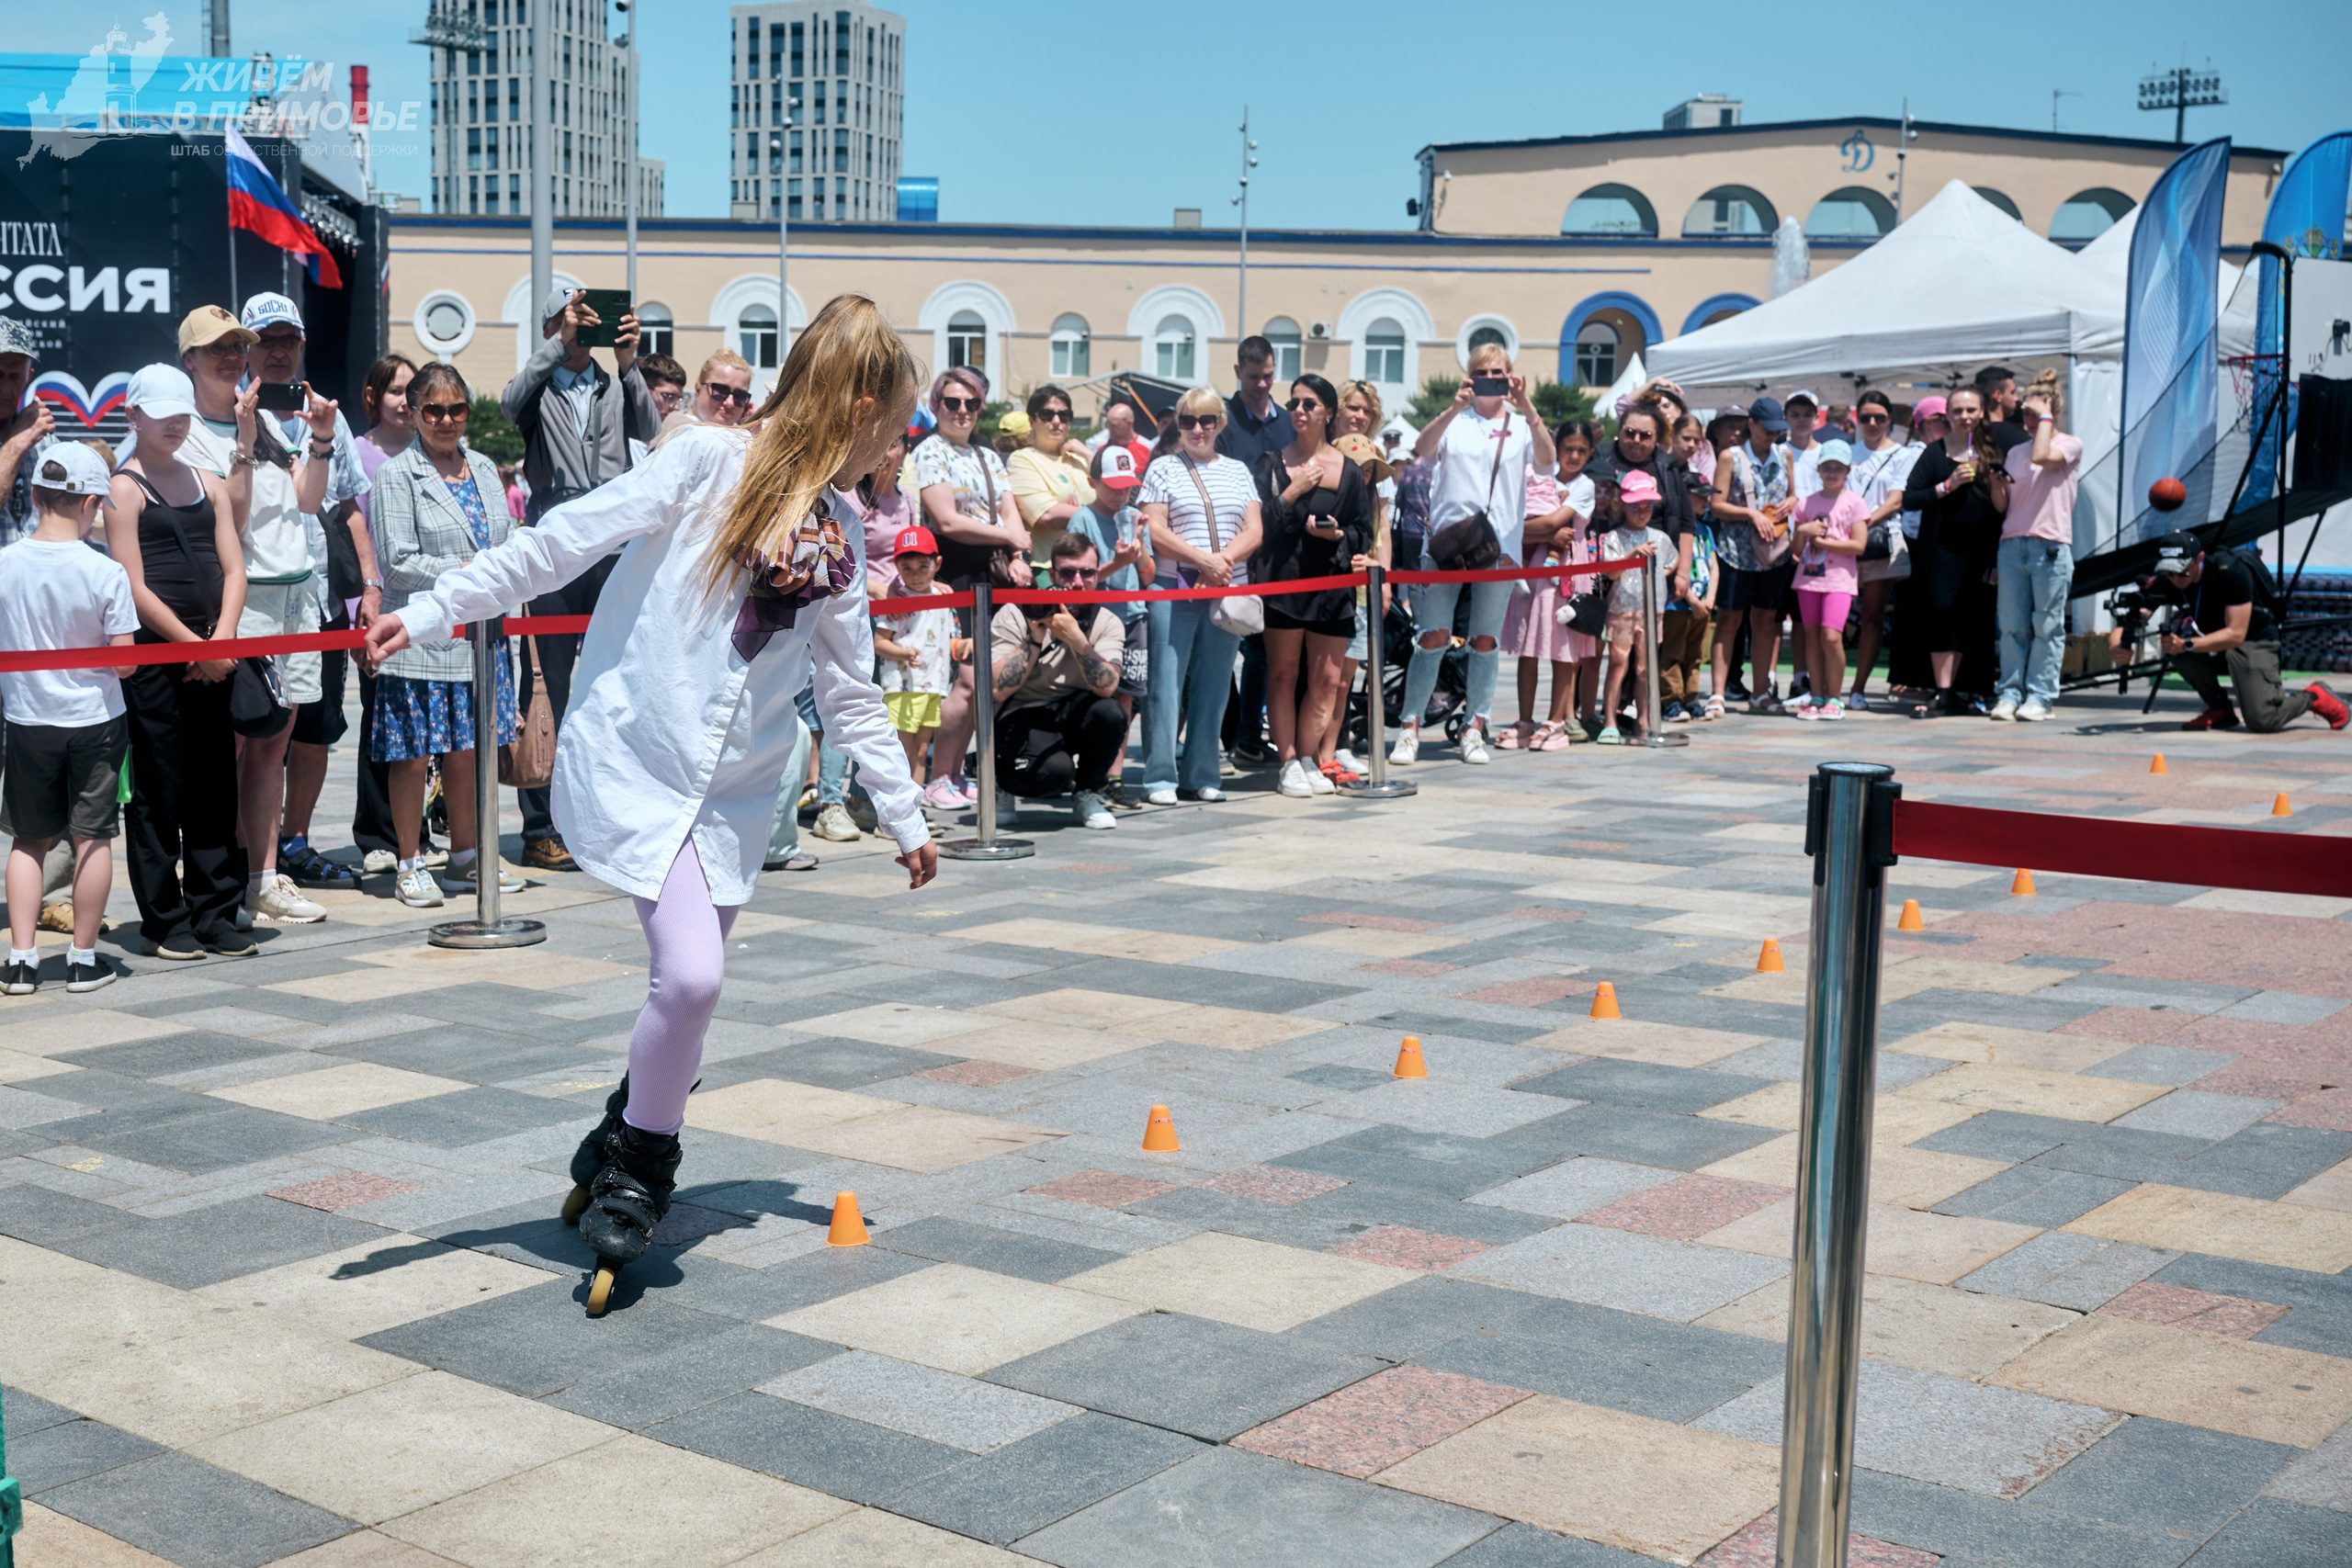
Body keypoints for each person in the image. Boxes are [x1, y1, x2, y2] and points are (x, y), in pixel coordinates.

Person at [368, 292, 934, 1314]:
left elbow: (848, 684)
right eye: (893, 426)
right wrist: (433, 608)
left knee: (683, 991)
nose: (896, 449)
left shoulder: (841, 525)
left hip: (739, 790)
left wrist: (903, 811)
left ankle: (619, 1130)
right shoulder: (708, 462)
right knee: (694, 978)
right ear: (856, 408)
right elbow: (562, 539)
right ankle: (640, 1167)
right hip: (642, 752)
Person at [503, 285, 663, 873]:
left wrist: (627, 363)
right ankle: (542, 823)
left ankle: (600, 814)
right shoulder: (539, 384)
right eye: (574, 321)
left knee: (613, 681)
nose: (584, 330)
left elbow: (651, 429)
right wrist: (556, 348)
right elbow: (506, 403)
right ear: (553, 327)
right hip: (555, 540)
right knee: (547, 682)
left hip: (613, 539)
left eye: (592, 320)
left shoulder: (614, 383)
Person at [365, 363, 526, 909]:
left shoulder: (483, 467)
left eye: (456, 408)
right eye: (432, 409)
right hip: (420, 634)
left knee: (468, 750)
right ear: (412, 413)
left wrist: (496, 569)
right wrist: (470, 568)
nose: (445, 419)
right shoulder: (395, 475)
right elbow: (399, 564)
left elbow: (505, 542)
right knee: (411, 755)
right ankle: (409, 862)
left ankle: (465, 856)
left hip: (482, 638)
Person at [227, 293, 368, 923]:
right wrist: (244, 432)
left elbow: (318, 505)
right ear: (244, 348)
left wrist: (322, 438)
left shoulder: (314, 416)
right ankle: (224, 873)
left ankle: (264, 872)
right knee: (238, 740)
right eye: (266, 340)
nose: (279, 351)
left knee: (279, 737)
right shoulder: (225, 414)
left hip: (303, 596)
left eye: (290, 340)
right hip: (248, 594)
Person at [109, 365, 254, 960]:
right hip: (156, 661)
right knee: (158, 788)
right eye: (160, 411)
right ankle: (164, 919)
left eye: (181, 412)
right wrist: (197, 648)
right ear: (132, 417)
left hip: (212, 654)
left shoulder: (209, 482)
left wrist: (220, 640)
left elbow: (235, 567)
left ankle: (216, 907)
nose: (173, 422)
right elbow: (132, 586)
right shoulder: (124, 488)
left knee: (214, 782)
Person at [1, 444, 138, 993]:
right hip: (96, 718)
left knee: (27, 842)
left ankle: (20, 961)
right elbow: (127, 663)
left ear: (35, 496)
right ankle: (82, 960)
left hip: (26, 716)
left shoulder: (5, 563)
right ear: (93, 503)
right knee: (93, 839)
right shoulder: (106, 572)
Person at [1392, 343, 1556, 765]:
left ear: (1511, 378)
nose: (1492, 380)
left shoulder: (1520, 424)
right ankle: (1409, 727)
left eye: (1500, 374)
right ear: (1470, 376)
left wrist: (1527, 404)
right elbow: (1424, 451)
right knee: (1432, 638)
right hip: (1448, 545)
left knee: (1485, 641)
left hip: (1498, 547)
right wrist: (1453, 407)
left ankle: (1474, 726)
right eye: (1484, 372)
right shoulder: (1457, 420)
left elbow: (1546, 461)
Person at [912, 365, 1030, 809]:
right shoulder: (930, 451)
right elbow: (945, 520)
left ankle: (956, 772)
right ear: (936, 405)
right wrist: (1010, 539)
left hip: (989, 572)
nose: (962, 411)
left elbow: (1008, 509)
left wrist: (1018, 556)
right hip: (952, 572)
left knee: (983, 679)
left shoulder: (987, 453)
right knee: (963, 678)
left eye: (971, 404)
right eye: (952, 403)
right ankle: (938, 775)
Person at [1250, 374, 1371, 796]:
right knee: (1283, 674)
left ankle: (1308, 756)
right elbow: (1260, 525)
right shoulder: (1271, 463)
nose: (1298, 411)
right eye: (1294, 404)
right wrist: (1293, 491)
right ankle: (1287, 762)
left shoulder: (1351, 470)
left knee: (1327, 680)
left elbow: (1364, 529)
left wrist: (1337, 536)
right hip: (1283, 582)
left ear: (1329, 413)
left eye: (1309, 404)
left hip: (1331, 586)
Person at [1140, 385, 1261, 804]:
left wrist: (1222, 560)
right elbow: (1154, 528)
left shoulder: (1238, 470)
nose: (1197, 428)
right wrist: (1203, 560)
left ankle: (1204, 772)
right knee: (1165, 686)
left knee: (1215, 685)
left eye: (1206, 420)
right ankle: (1160, 777)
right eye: (1188, 420)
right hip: (1175, 587)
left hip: (1226, 588)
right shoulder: (1162, 468)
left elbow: (1254, 528)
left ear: (1219, 424)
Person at [2127, 533, 2348, 734]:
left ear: (2199, 558)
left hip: (2254, 641)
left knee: (2263, 720)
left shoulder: (2230, 571)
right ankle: (2220, 709)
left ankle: (2314, 696)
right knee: (2179, 653)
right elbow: (2137, 614)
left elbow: (2236, 634)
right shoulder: (2170, 579)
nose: (2176, 577)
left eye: (2182, 569)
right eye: (2169, 571)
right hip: (2217, 644)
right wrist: (2121, 642)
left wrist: (2185, 644)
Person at [990, 534, 1126, 829]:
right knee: (1052, 774)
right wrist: (1035, 637)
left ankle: (1087, 793)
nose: (1077, 582)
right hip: (1022, 710)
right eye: (1067, 573)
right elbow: (1000, 689)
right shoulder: (1016, 611)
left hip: (1073, 708)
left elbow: (1107, 687)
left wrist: (1077, 639)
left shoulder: (1107, 621)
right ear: (1051, 575)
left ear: (1097, 575)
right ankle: (1002, 780)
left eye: (1087, 573)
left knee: (1111, 713)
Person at [348, 354, 424, 876]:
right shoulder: (358, 453)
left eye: (411, 390)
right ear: (374, 397)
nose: (404, 400)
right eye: (394, 390)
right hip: (379, 607)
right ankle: (376, 833)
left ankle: (416, 833)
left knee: (423, 727)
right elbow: (352, 533)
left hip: (427, 610)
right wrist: (362, 605)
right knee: (381, 721)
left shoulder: (432, 452)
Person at [1901, 389, 2007, 717]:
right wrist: (1948, 485)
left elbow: (2001, 508)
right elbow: (1910, 498)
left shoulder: (1992, 452)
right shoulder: (1935, 453)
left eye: (1970, 409)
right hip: (1942, 548)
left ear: (1981, 413)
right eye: (1958, 410)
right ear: (1947, 414)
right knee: (1941, 611)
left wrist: (1996, 485)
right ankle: (1942, 690)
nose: (1964, 416)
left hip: (1982, 549)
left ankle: (1964, 691)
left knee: (1974, 615)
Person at [1500, 419, 1597, 750]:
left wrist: (1535, 530)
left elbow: (1556, 521)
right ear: (1556, 447)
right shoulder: (1537, 475)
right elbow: (1507, 520)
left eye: (1581, 451)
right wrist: (1545, 533)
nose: (1574, 456)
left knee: (1563, 648)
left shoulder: (1585, 485)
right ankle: (1525, 720)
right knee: (1528, 645)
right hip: (1529, 569)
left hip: (1566, 569)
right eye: (1568, 448)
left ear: (1590, 453)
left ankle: (1556, 722)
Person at [1991, 374, 2081, 722]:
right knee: (2011, 625)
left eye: (2035, 413)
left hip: (2051, 545)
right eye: (2026, 413)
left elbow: (2044, 456)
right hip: (2013, 543)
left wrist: (2045, 417)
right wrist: (1997, 484)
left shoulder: (2070, 444)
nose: (2027, 420)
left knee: (2047, 626)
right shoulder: (2015, 452)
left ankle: (2040, 697)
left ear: (2052, 412)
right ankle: (2010, 693)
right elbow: (2003, 506)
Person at [1063, 444, 1153, 738]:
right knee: (1098, 693)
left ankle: (1115, 774)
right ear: (1093, 482)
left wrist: (1138, 548)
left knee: (1126, 695)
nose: (1121, 494)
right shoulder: (1083, 519)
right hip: (1098, 617)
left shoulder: (1134, 516)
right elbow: (1077, 583)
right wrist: (1118, 562)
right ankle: (1095, 769)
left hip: (1133, 617)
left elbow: (1148, 576)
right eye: (1114, 486)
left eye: (1127, 486)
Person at [1787, 441, 1867, 721]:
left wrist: (1823, 541)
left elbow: (1859, 545)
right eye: (1827, 467)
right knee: (1811, 636)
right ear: (1818, 469)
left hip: (1840, 580)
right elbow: (1796, 549)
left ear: (1847, 471)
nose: (1832, 472)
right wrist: (1804, 533)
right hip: (1808, 579)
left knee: (1832, 637)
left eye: (1838, 468)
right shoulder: (1806, 503)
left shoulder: (1854, 503)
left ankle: (1835, 696)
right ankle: (1817, 694)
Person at [873, 524, 956, 780]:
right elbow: (879, 642)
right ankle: (899, 812)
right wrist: (903, 654)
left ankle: (916, 808)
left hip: (933, 687)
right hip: (902, 688)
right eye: (906, 568)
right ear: (897, 567)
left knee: (921, 753)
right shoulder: (896, 600)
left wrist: (967, 645)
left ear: (937, 564)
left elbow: (951, 640)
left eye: (923, 566)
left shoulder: (945, 597)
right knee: (901, 752)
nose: (916, 575)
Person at [1595, 470, 1671, 744]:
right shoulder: (1614, 537)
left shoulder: (1660, 537)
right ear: (1623, 506)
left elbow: (1670, 562)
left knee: (1645, 668)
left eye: (1647, 507)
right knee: (1618, 664)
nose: (1642, 512)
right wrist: (1632, 555)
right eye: (1635, 507)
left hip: (1652, 610)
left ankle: (1644, 717)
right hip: (1622, 608)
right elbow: (1611, 573)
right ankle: (1610, 720)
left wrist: (1660, 577)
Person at [1005, 384, 1095, 570]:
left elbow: (1116, 495)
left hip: (1094, 566)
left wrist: (1089, 455)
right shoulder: (1022, 459)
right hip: (1050, 567)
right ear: (1032, 421)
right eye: (1047, 415)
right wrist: (1098, 513)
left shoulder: (1081, 459)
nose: (1056, 421)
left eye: (1064, 416)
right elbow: (1046, 514)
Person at [1660, 453, 1717, 722]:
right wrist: (1693, 599)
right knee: (1673, 651)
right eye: (1700, 496)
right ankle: (1671, 700)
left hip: (1703, 604)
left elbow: (1714, 566)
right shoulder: (1678, 530)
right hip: (1679, 602)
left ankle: (1690, 697)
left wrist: (1709, 600)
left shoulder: (1706, 530)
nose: (1706, 501)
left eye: (1708, 496)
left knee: (1695, 654)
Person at [0, 317, 58, 548]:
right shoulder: (28, 435)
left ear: (28, 376)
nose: (4, 389)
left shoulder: (44, 440)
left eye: (14, 376)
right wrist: (17, 443)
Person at [690, 351, 756, 429]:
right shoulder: (680, 430)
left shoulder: (741, 436)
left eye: (740, 396)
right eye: (720, 390)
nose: (730, 403)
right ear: (698, 389)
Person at [1975, 366, 2029, 452]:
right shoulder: (2018, 439)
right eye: (2012, 393)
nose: (2016, 398)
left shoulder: (1969, 434)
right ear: (1998, 396)